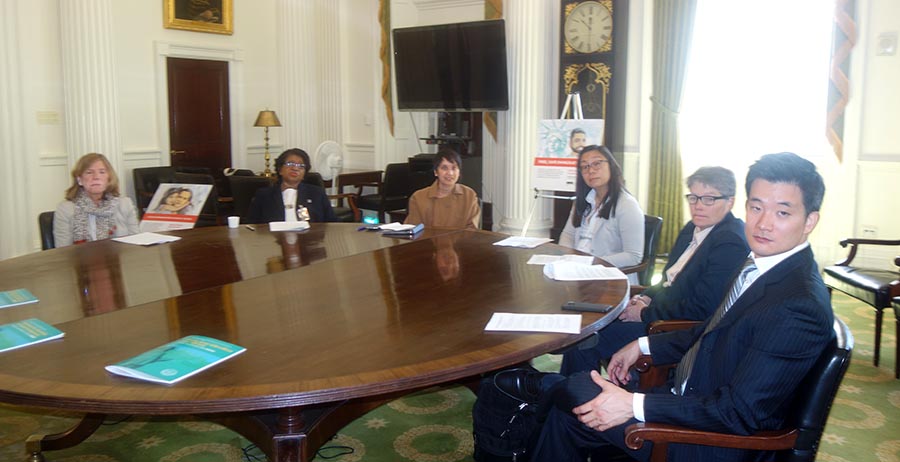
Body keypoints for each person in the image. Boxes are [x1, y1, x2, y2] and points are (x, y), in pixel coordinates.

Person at [511, 152, 833, 461]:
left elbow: (739, 414)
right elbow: (712, 332)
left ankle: (537, 390)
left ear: (810, 221)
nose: (763, 224)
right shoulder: (759, 265)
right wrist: (641, 344)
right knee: (570, 413)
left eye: (782, 213)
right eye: (757, 207)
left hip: (705, 443)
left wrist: (633, 406)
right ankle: (535, 404)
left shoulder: (797, 305)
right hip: (688, 397)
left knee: (577, 391)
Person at [560, 166, 749, 375]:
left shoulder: (730, 242)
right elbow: (670, 280)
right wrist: (645, 296)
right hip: (661, 311)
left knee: (584, 341)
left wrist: (644, 313)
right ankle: (574, 397)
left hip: (674, 328)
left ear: (730, 201)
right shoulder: (692, 229)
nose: (698, 206)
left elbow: (703, 307)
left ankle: (573, 402)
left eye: (709, 199)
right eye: (693, 198)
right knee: (585, 324)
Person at [558, 145, 644, 284]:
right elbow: (568, 234)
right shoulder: (582, 201)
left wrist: (591, 263)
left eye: (597, 163)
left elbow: (633, 256)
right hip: (576, 273)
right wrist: (568, 257)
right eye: (585, 167)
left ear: (611, 165)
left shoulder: (627, 205)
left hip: (607, 278)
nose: (591, 170)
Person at [53, 153, 140, 247]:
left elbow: (135, 244)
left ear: (109, 179)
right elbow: (63, 250)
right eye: (89, 172)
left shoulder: (125, 204)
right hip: (80, 261)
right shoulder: (66, 209)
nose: (96, 177)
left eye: (102, 172)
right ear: (79, 180)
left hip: (120, 260)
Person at [247, 148, 336, 224]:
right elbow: (252, 225)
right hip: (274, 241)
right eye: (290, 164)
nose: (295, 168)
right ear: (280, 169)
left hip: (309, 241)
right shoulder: (264, 195)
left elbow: (332, 222)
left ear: (305, 173)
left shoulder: (317, 193)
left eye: (301, 166)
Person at [405, 149, 480, 230]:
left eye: (454, 168)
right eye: (444, 168)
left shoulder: (469, 195)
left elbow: (472, 231)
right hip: (427, 242)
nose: (450, 173)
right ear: (436, 172)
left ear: (459, 172)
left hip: (460, 242)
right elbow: (414, 231)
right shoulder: (418, 198)